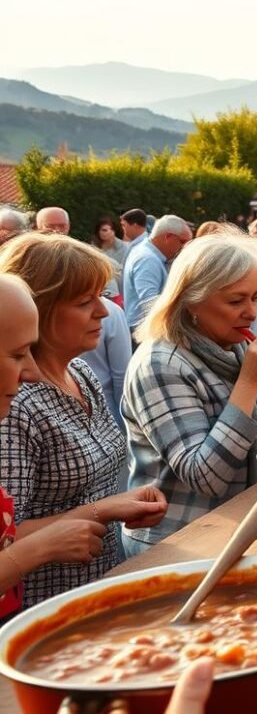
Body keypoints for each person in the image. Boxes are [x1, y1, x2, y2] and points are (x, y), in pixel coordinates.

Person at [121, 233, 257, 553]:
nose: (251, 312)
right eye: (236, 301)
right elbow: (205, 475)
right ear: (192, 299)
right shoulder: (159, 365)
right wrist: (248, 382)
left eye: (255, 298)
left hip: (238, 525)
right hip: (181, 542)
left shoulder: (230, 341)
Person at [0, 236, 168, 605]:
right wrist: (101, 510)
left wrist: (121, 502)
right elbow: (7, 537)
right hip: (43, 608)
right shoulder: (13, 404)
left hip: (98, 587)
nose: (104, 312)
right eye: (83, 302)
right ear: (39, 311)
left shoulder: (80, 371)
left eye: (102, 296)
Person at [0, 274, 119, 621]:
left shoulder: (81, 374)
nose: (31, 373)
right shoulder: (18, 413)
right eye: (19, 354)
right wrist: (40, 548)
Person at [123, 215, 192, 329]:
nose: (185, 248)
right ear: (168, 237)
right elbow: (150, 302)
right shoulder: (147, 259)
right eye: (183, 242)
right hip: (144, 330)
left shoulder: (147, 253)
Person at [78, 296, 131, 430]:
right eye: (85, 300)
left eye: (99, 292)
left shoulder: (78, 368)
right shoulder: (112, 312)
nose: (103, 311)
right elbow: (122, 376)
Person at [91, 216, 130, 286]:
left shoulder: (125, 248)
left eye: (105, 230)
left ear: (113, 231)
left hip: (121, 286)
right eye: (100, 230)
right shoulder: (93, 249)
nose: (102, 233)